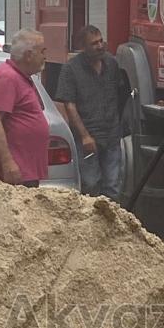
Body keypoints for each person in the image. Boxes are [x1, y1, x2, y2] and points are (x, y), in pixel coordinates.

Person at [56, 25, 125, 201]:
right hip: (87, 136)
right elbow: (69, 105)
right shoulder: (71, 69)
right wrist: (85, 136)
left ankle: (111, 223)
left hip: (111, 134)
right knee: (91, 183)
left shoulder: (111, 63)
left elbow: (120, 94)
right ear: (83, 47)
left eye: (101, 41)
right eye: (94, 44)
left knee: (113, 185)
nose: (100, 46)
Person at [0, 29, 49, 187]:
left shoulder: (20, 77)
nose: (45, 56)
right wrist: (8, 163)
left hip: (25, 172)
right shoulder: (7, 77)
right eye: (42, 51)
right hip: (13, 174)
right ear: (29, 55)